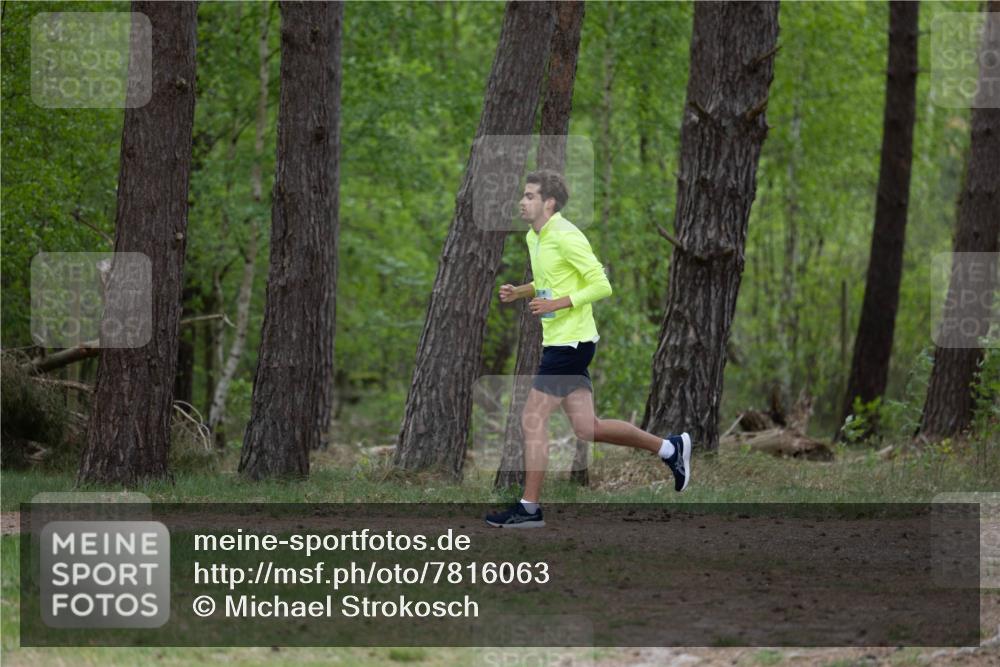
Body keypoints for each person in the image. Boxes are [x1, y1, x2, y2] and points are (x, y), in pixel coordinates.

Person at [486, 170, 691, 529]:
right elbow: (552, 280)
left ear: (549, 203)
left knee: (532, 418)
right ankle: (670, 449)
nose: (522, 201)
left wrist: (557, 305)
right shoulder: (536, 237)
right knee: (587, 427)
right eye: (524, 195)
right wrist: (523, 291)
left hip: (570, 343)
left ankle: (529, 509)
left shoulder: (566, 235)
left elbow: (601, 285)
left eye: (530, 196)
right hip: (565, 342)